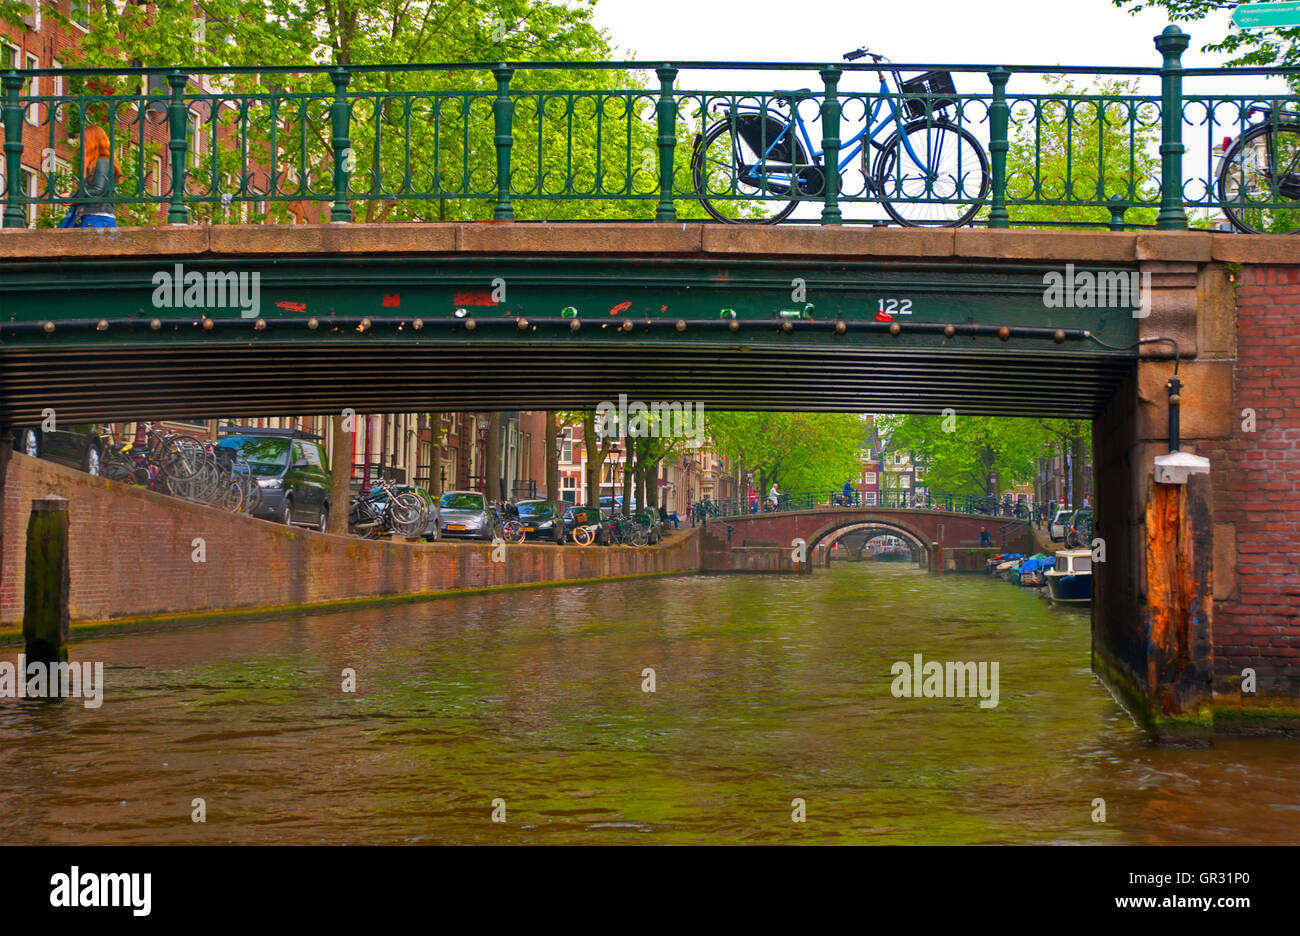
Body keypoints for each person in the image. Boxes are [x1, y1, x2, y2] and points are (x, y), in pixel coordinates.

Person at [64, 126, 120, 229]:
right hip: (97, 217)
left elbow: (97, 190)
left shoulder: (102, 161)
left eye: (83, 142)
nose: (81, 146)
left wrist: (72, 196)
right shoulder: (100, 162)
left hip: (97, 217)